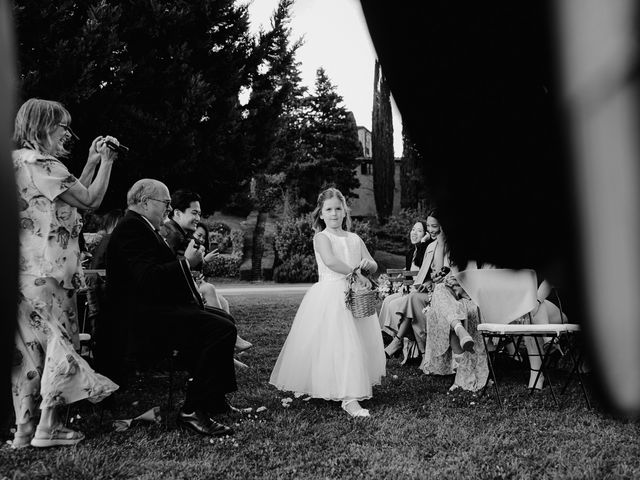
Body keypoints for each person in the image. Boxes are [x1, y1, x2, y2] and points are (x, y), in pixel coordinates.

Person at [11, 98, 120, 448]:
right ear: (43, 126)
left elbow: (67, 196)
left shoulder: (17, 162)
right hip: (53, 273)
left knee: (29, 352)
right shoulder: (45, 163)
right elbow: (90, 200)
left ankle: (24, 429)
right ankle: (48, 427)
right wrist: (106, 162)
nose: (67, 133)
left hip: (24, 272)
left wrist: (88, 163)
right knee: (60, 345)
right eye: (62, 126)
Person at [103, 179, 237, 437]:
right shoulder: (132, 228)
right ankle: (192, 409)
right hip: (140, 321)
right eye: (165, 203)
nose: (168, 208)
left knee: (224, 321)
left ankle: (214, 400)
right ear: (145, 202)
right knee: (219, 329)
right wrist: (186, 262)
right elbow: (147, 279)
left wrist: (187, 267)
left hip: (152, 311)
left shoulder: (143, 227)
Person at [270, 187, 386, 418]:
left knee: (357, 343)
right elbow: (331, 262)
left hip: (356, 295)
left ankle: (349, 386)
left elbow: (372, 263)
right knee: (339, 345)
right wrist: (356, 273)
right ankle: (348, 398)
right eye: (328, 209)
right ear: (321, 214)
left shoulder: (354, 238)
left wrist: (367, 266)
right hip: (331, 295)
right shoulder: (321, 237)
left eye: (338, 209)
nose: (334, 214)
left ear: (345, 212)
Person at [383, 210, 474, 359]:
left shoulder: (457, 246)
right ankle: (421, 350)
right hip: (437, 292)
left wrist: (452, 280)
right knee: (414, 298)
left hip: (457, 294)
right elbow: (435, 273)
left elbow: (464, 274)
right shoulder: (432, 246)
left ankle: (411, 347)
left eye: (434, 226)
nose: (430, 230)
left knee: (419, 299)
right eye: (429, 226)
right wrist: (429, 282)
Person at [378, 220, 430, 363]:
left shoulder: (425, 251)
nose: (414, 233)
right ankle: (388, 335)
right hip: (409, 290)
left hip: (418, 292)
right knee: (387, 301)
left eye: (419, 231)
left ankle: (397, 340)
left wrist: (423, 243)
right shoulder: (410, 253)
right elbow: (408, 275)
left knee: (394, 305)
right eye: (413, 229)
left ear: (426, 234)